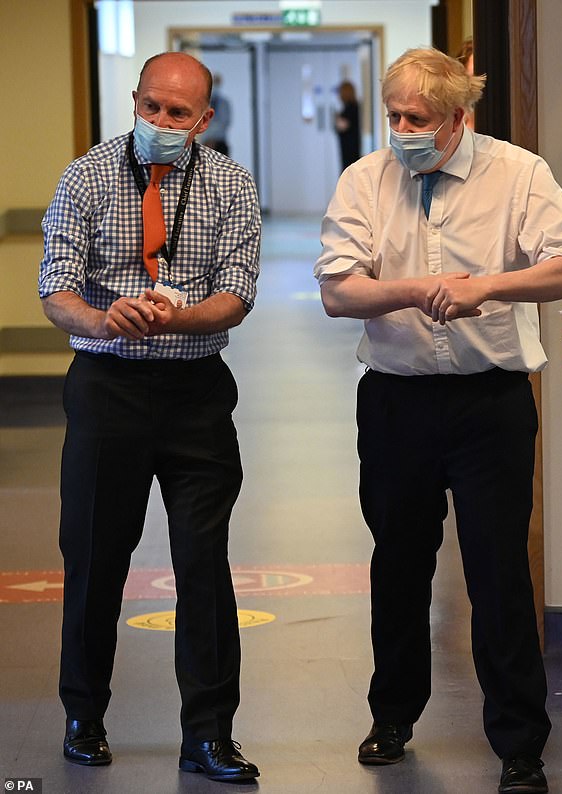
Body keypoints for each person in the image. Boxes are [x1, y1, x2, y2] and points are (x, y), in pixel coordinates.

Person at [314, 47, 562, 794]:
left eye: (420, 118)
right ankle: (393, 715)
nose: (403, 129)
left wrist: (488, 288)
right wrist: (413, 290)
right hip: (396, 400)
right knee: (398, 562)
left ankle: (519, 744)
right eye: (395, 114)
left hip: (489, 403)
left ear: (459, 118)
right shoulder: (364, 181)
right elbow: (339, 292)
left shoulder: (519, 174)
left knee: (499, 571)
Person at [38, 51, 261, 783]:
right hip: (108, 388)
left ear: (204, 119)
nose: (161, 124)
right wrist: (104, 318)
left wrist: (181, 317)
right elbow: (56, 289)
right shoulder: (86, 177)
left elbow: (237, 291)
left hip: (196, 390)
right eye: (151, 108)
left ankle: (208, 734)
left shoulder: (230, 182)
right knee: (96, 557)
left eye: (178, 114)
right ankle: (84, 717)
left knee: (203, 563)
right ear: (134, 101)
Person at [334, 80, 361, 171]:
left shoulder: (350, 108)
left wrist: (337, 119)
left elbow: (342, 126)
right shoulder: (355, 107)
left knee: (349, 169)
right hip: (353, 146)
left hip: (350, 147)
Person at [202, 73, 232, 156]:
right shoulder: (202, 102)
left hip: (219, 144)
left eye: (216, 82)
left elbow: (224, 123)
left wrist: (211, 138)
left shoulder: (224, 103)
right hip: (204, 144)